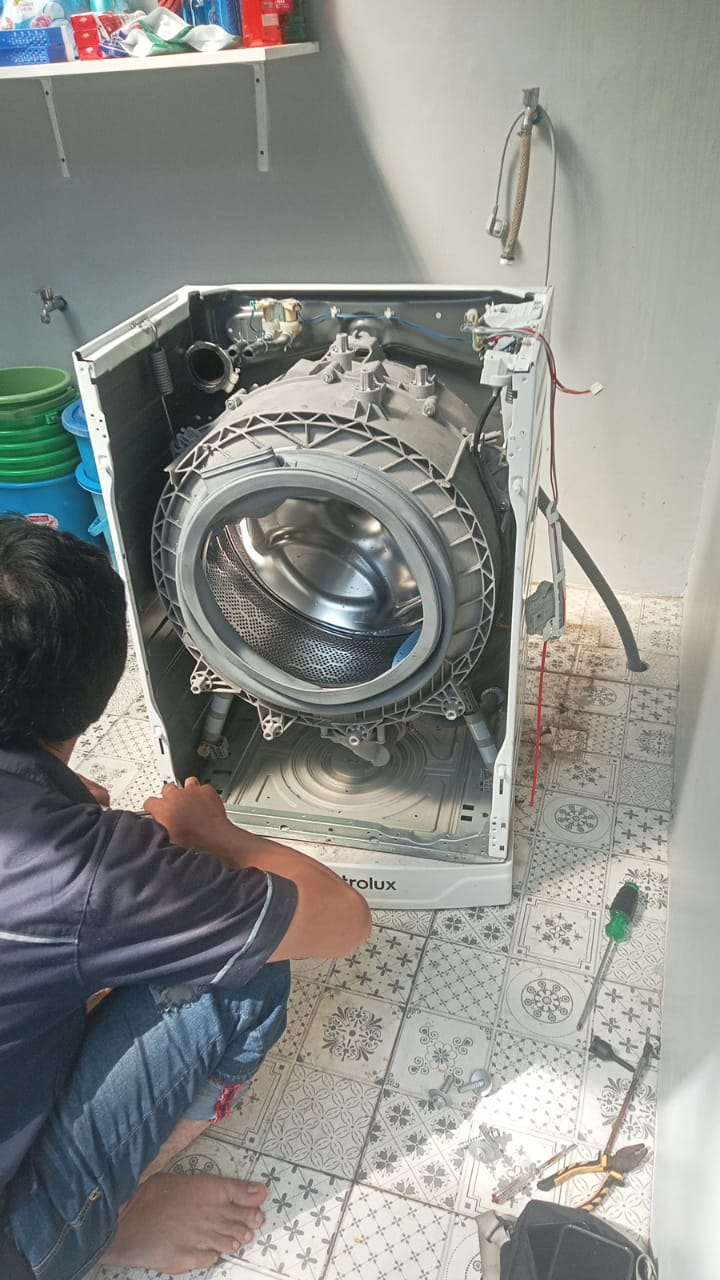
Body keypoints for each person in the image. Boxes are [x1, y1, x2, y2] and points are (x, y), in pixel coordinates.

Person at [0, 514, 371, 1280]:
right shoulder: (84, 867)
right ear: (99, 692)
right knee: (243, 976)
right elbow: (342, 920)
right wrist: (209, 830)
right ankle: (106, 1215)